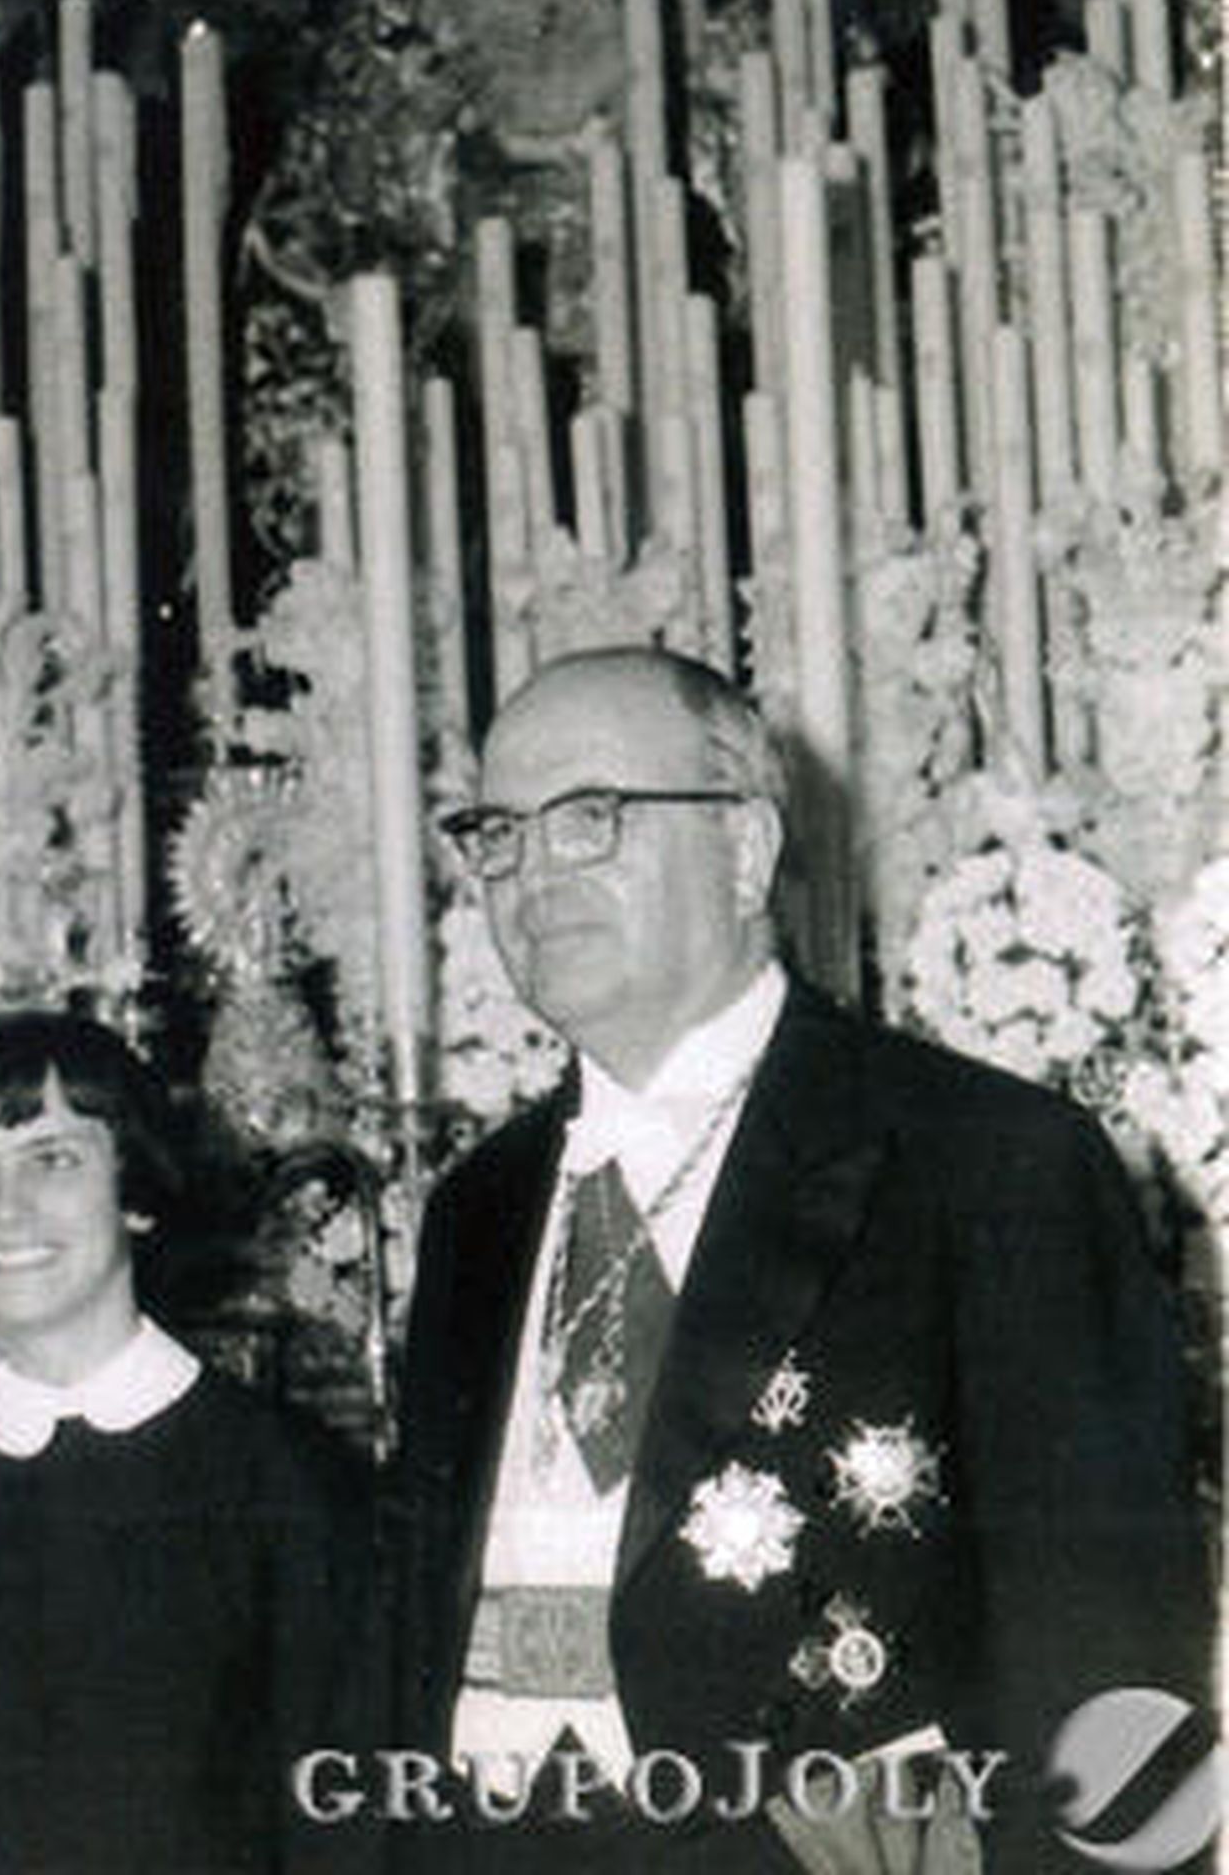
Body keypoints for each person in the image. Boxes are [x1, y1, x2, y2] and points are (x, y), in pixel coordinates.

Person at [392, 647, 1210, 1872]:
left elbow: (1108, 1659)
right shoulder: (479, 1206)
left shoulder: (986, 1161)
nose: (531, 876)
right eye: (498, 833)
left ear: (742, 849)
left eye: (591, 819)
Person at [0, 1007, 368, 1875]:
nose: (6, 1208)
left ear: (138, 1195)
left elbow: (346, 1842)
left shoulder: (290, 1487)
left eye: (53, 1160)